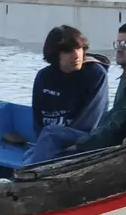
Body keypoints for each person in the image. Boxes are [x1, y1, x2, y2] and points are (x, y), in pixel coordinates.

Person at [22, 26, 110, 164]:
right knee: (28, 157)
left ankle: (31, 178)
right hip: (51, 139)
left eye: (79, 49)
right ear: (55, 54)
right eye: (68, 51)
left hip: (86, 140)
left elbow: (90, 122)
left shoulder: (95, 74)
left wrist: (66, 147)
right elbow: (38, 120)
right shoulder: (43, 76)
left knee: (49, 136)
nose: (76, 55)